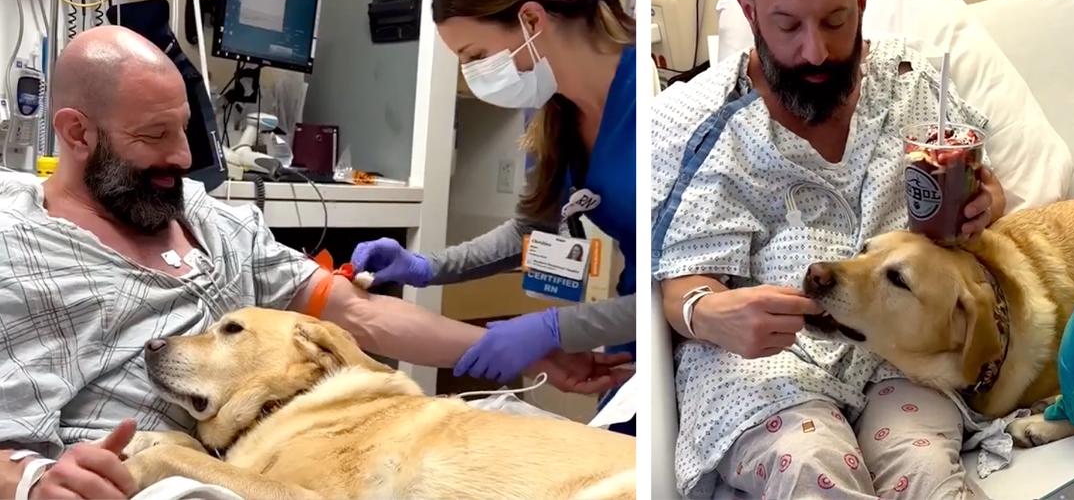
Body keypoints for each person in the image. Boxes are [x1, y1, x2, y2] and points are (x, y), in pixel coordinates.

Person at [0, 26, 628, 500]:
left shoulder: (206, 215)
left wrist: (524, 349)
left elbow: (357, 312)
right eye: (152, 137)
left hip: (297, 452)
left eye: (185, 130)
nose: (182, 157)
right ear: (76, 133)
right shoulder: (21, 252)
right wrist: (31, 482)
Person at [652, 0, 1006, 499]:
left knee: (923, 474)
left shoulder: (911, 84)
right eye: (787, 26)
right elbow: (683, 283)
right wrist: (708, 313)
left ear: (862, 1)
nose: (815, 52)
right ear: (750, 12)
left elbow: (975, 179)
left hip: (901, 353)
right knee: (811, 466)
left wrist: (986, 199)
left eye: (836, 21)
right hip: (766, 366)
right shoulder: (699, 122)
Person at [350, 0, 636, 428]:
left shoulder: (655, 101)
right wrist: (423, 266)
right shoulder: (556, 114)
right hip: (630, 351)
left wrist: (550, 330)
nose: (474, 75)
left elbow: (687, 290)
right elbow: (531, 233)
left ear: (531, 19)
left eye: (475, 55)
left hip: (688, 326)